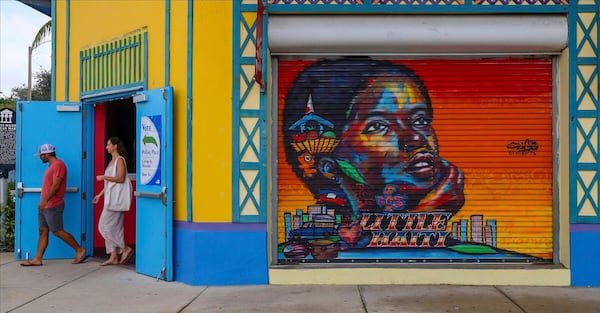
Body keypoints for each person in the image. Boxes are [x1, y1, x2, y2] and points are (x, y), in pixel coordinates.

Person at [283, 58, 464, 217]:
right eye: (377, 126)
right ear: (330, 168)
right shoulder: (319, 249)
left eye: (420, 119)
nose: (415, 138)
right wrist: (423, 215)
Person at [21, 144, 87, 266]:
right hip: (44, 205)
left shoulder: (59, 165)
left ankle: (79, 250)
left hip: (53, 204)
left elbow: (56, 185)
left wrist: (45, 201)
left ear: (47, 154)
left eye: (41, 155)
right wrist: (43, 203)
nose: (40, 157)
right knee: (42, 231)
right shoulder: (51, 166)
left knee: (57, 231)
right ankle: (37, 259)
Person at [92, 137, 134, 266]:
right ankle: (113, 256)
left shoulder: (120, 160)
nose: (106, 147)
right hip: (111, 198)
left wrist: (104, 176)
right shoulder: (112, 161)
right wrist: (99, 195)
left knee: (103, 227)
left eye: (108, 144)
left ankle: (125, 248)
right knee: (115, 228)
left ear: (115, 146)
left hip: (116, 200)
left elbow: (120, 178)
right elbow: (110, 184)